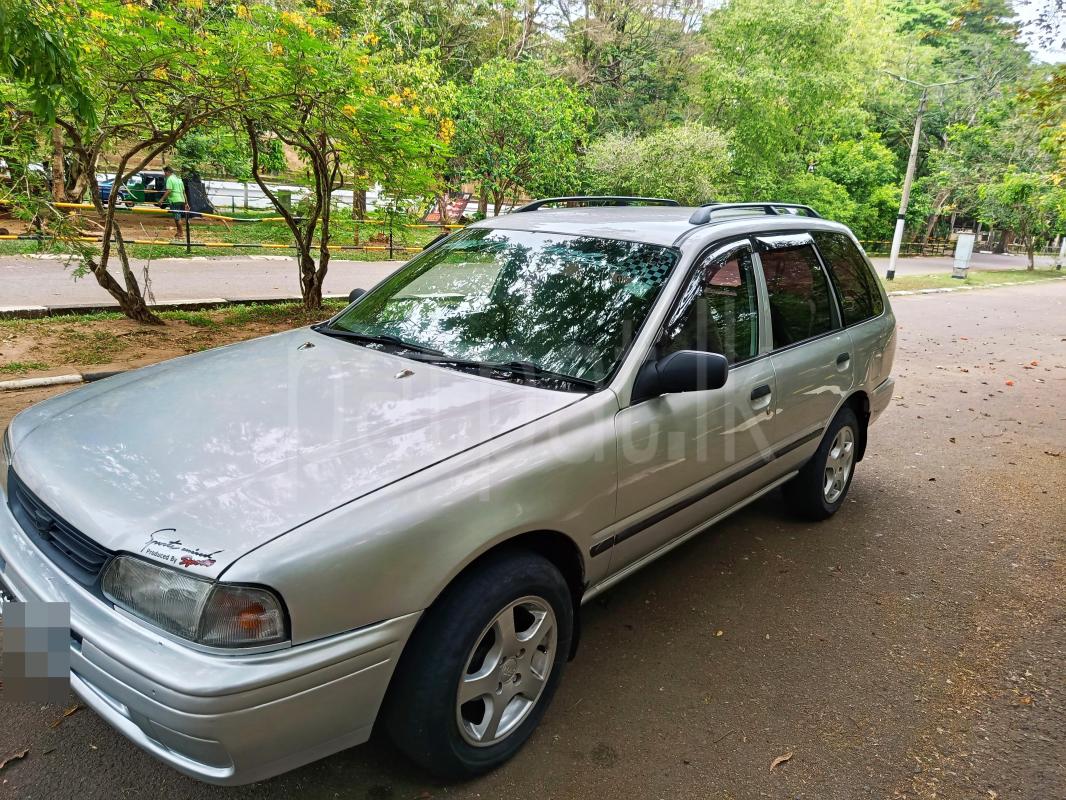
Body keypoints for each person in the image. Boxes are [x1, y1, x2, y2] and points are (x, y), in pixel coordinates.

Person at [163, 166, 189, 238]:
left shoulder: (169, 179)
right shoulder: (179, 179)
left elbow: (169, 190)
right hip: (181, 199)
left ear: (168, 172)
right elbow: (184, 192)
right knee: (177, 216)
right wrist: (186, 203)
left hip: (174, 200)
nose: (164, 174)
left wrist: (161, 199)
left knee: (177, 217)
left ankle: (181, 233)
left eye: (165, 172)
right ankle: (178, 232)